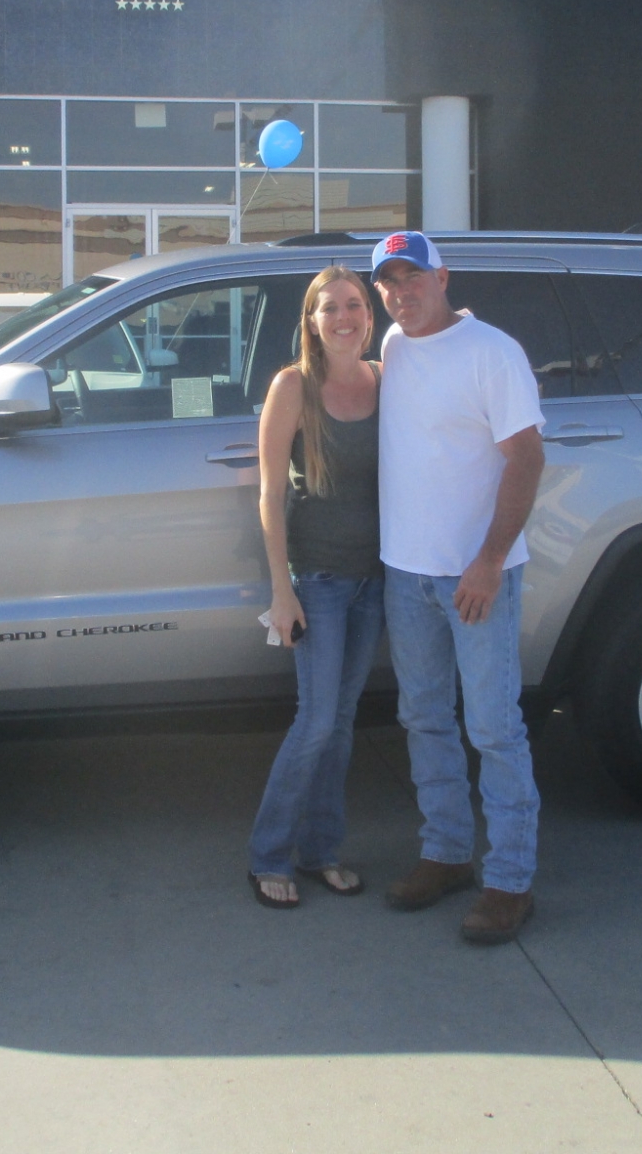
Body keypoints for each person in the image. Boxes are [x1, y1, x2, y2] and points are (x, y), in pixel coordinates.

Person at [368, 231, 547, 945]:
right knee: (424, 718)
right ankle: (445, 852)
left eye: (412, 277)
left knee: (494, 727)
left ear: (443, 278)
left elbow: (527, 458)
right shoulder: (394, 346)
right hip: (406, 572)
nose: (401, 292)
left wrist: (490, 559)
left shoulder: (492, 352)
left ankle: (509, 881)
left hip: (476, 576)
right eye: (388, 281)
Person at [246, 265, 386, 909]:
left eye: (354, 305)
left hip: (373, 581)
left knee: (343, 722)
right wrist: (283, 592)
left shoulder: (386, 379)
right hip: (319, 581)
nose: (343, 317)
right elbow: (270, 494)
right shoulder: (293, 387)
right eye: (330, 307)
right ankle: (268, 855)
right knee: (317, 720)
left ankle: (322, 851)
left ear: (370, 315)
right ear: (312, 320)